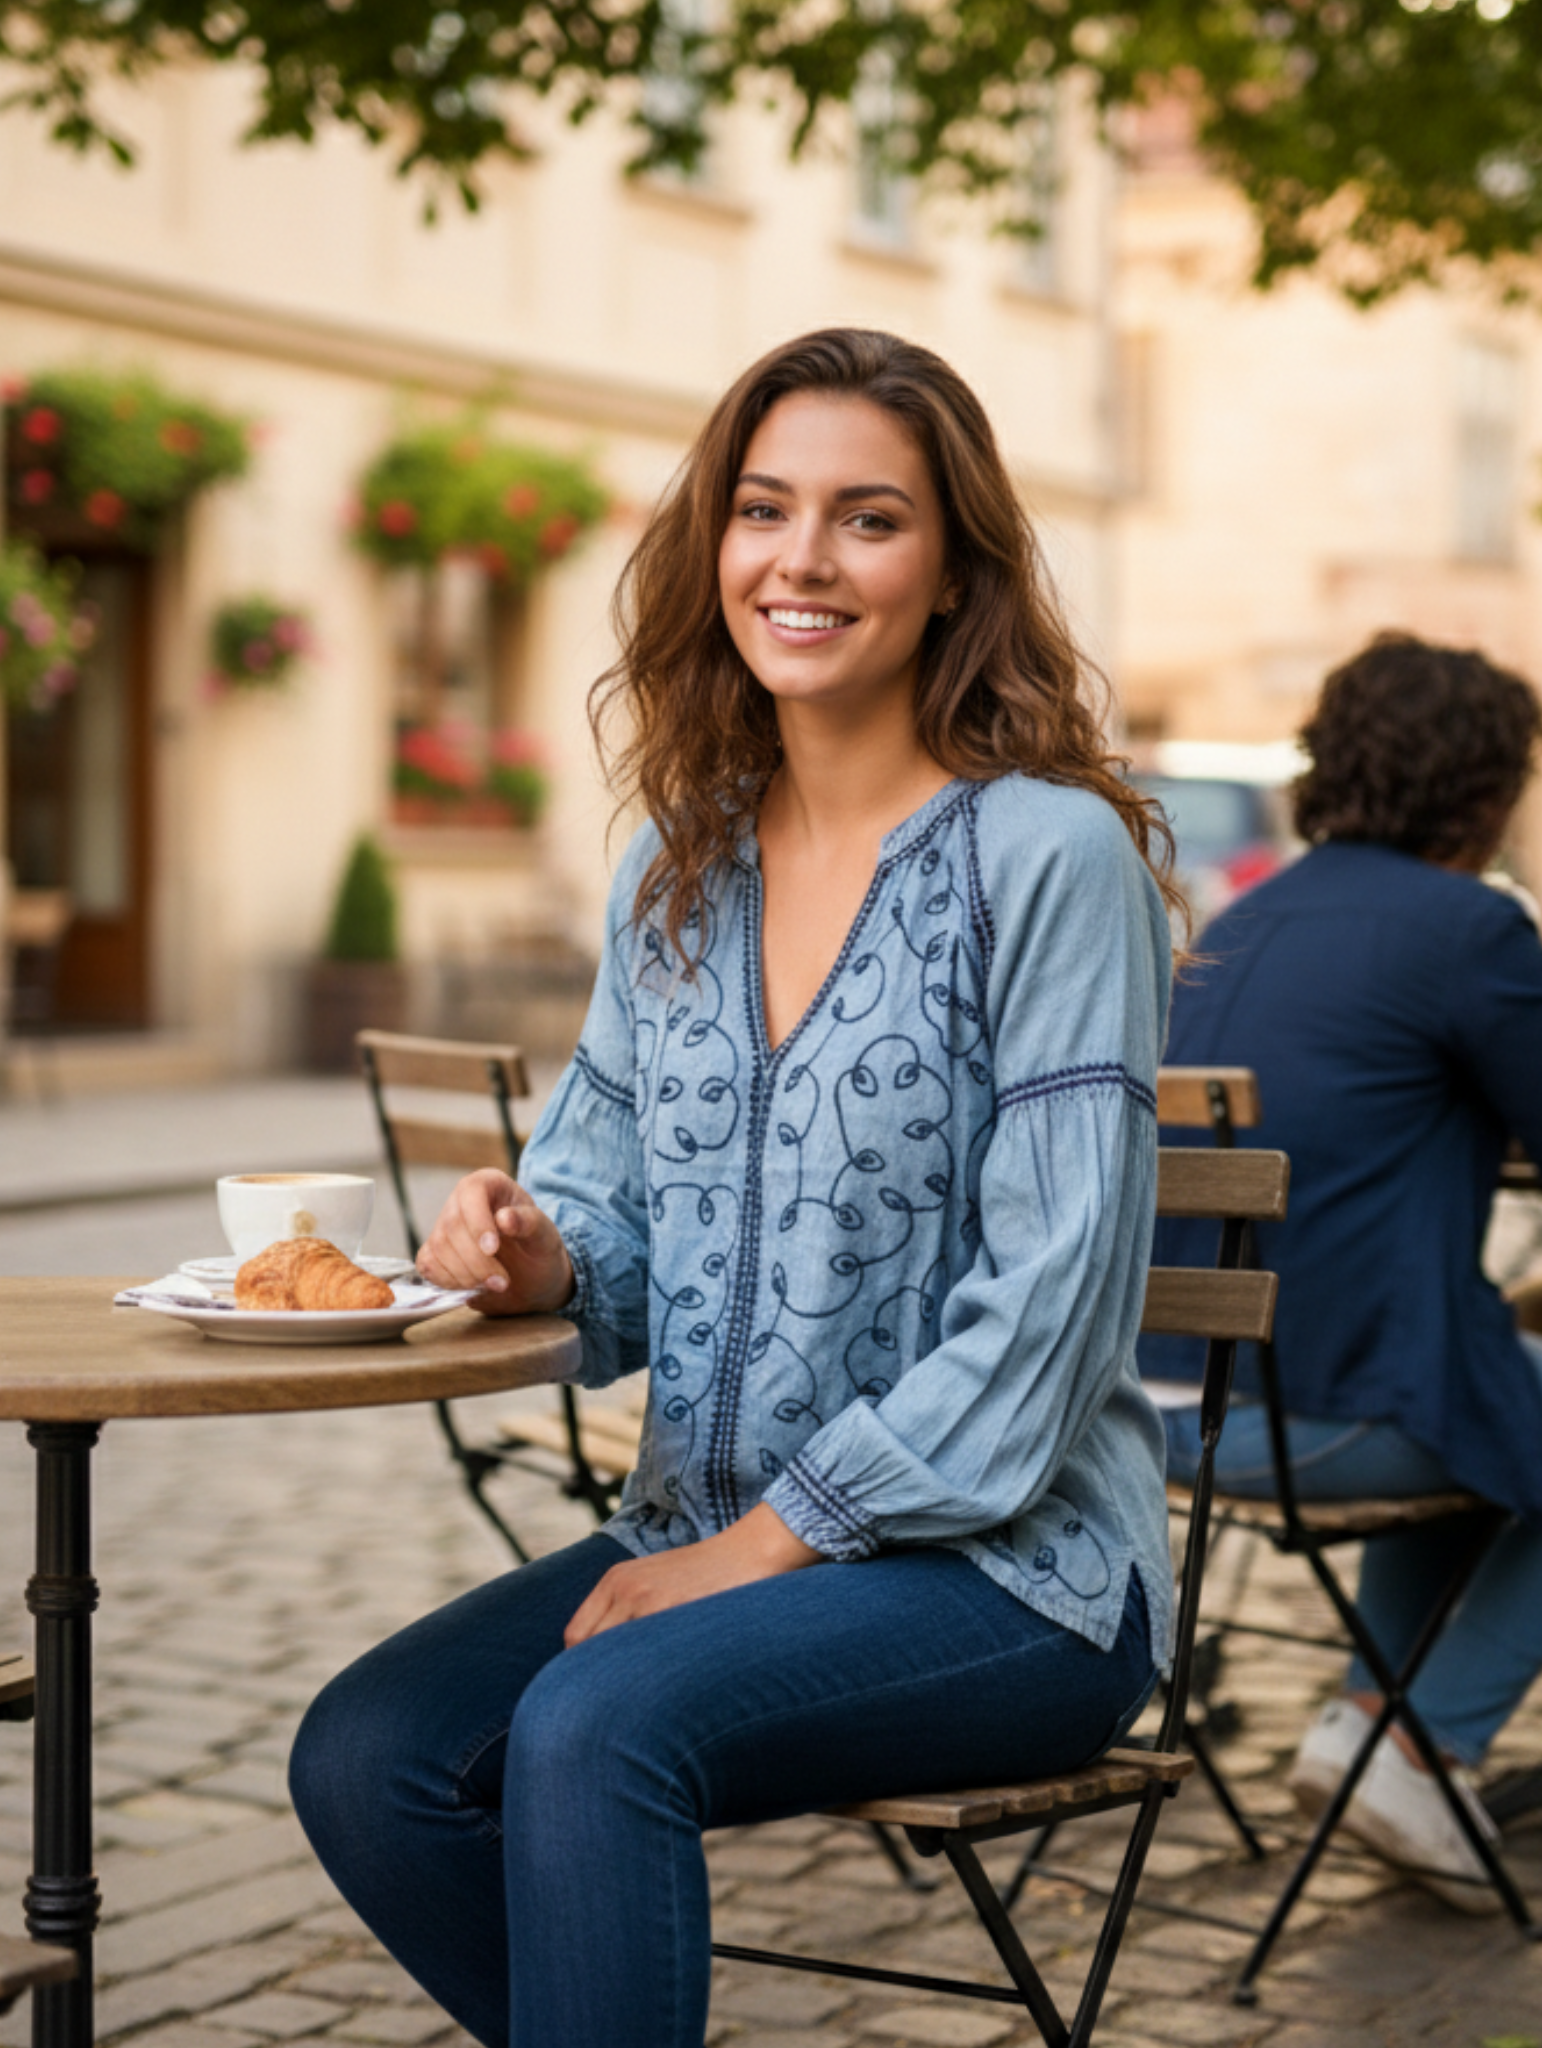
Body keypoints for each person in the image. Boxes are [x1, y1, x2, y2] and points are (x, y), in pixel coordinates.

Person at [288, 327, 1176, 2048]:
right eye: (764, 509)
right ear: (715, 544)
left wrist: (766, 1547)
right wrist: (535, 1256)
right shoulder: (672, 864)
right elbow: (607, 1223)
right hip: (703, 1536)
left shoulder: (1047, 853)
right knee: (369, 1754)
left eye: (867, 518)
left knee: (596, 1723)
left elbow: (1051, 1316)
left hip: (1015, 1575)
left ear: (952, 567)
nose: (802, 558)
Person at [1153, 631, 1542, 1912]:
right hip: (1313, 1412)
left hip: (1168, 1407)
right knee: (1474, 1379)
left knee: (1486, 1383)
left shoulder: (1249, 913)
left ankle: (1373, 1722)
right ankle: (1422, 1745)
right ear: (1486, 786)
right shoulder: (1469, 929)